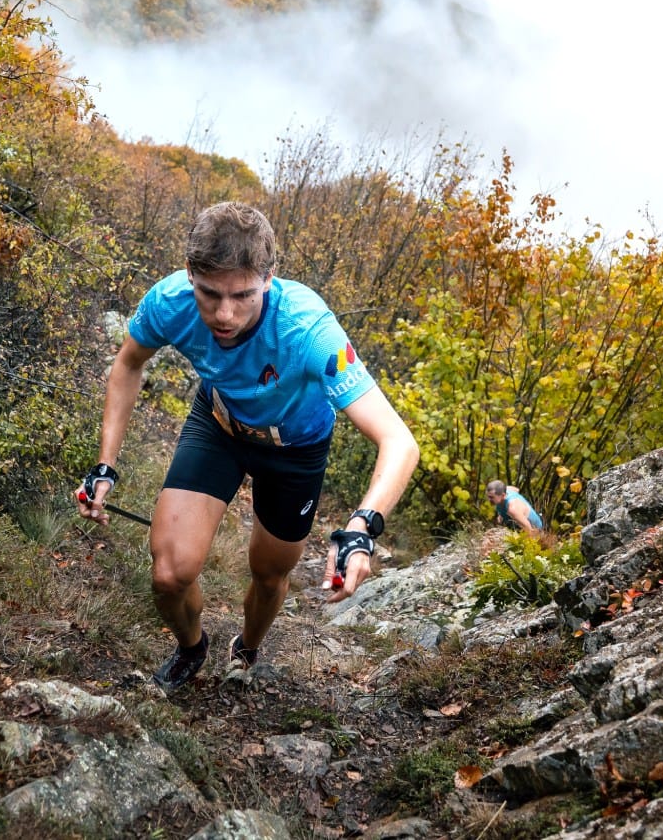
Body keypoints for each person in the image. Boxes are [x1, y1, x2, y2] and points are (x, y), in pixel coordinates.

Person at [76, 202, 419, 694]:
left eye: (243, 296)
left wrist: (362, 529)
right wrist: (104, 465)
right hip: (218, 427)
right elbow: (129, 363)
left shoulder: (308, 328)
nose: (224, 314)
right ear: (190, 273)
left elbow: (399, 441)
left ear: (269, 279)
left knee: (269, 572)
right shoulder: (170, 301)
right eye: (210, 293)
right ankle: (191, 648)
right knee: (169, 574)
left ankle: (249, 647)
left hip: (295, 450)